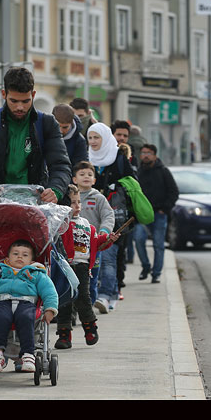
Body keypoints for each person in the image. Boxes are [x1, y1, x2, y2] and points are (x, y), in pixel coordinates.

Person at [0, 66, 72, 279]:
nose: (20, 107)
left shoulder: (46, 123)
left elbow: (61, 165)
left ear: (33, 96)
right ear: (4, 95)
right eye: (14, 101)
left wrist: (56, 190)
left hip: (35, 209)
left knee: (40, 264)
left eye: (25, 101)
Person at [0, 239, 58, 373]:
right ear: (7, 258)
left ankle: (28, 354)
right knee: (0, 317)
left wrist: (50, 309)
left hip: (27, 303)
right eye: (15, 254)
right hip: (2, 302)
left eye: (25, 255)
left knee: (26, 317)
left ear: (31, 261)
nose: (20, 257)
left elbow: (49, 292)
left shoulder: (36, 274)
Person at [55, 185, 120, 349]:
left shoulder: (87, 225)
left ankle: (90, 327)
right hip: (65, 267)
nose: (77, 206)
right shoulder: (61, 224)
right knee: (64, 301)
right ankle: (64, 335)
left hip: (83, 267)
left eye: (78, 202)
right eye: (72, 203)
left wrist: (108, 240)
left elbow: (96, 244)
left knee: (83, 298)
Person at [87, 122, 137, 313]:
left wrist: (116, 187)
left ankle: (106, 294)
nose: (93, 142)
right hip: (90, 214)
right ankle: (108, 292)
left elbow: (132, 181)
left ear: (105, 138)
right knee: (95, 257)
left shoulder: (118, 157)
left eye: (96, 138)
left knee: (109, 256)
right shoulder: (86, 157)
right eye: (90, 138)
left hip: (115, 214)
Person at [134, 144, 179, 284]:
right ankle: (146, 267)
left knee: (158, 244)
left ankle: (156, 273)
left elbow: (174, 192)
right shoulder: (138, 172)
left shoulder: (163, 171)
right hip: (142, 215)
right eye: (143, 153)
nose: (145, 155)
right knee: (139, 239)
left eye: (149, 153)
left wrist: (165, 208)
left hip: (159, 214)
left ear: (155, 155)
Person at [72, 160, 115, 305]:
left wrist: (104, 232)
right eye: (82, 174)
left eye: (90, 174)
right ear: (74, 179)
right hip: (72, 246)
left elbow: (108, 216)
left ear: (94, 180)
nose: (86, 177)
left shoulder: (98, 198)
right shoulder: (70, 197)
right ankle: (72, 306)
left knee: (92, 277)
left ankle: (88, 307)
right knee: (73, 277)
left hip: (93, 245)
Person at [110, 119, 137, 298]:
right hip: (101, 208)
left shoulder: (127, 157)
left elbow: (134, 182)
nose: (121, 138)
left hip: (121, 211)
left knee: (120, 250)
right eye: (118, 134)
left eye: (125, 136)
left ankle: (117, 285)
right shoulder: (105, 154)